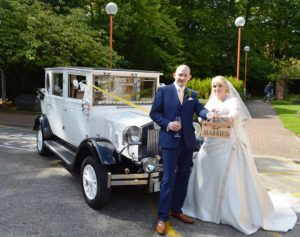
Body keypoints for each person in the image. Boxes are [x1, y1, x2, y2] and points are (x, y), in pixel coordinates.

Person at [182, 76, 297, 235]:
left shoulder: (232, 101)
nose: (216, 89)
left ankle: (227, 213)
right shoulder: (211, 101)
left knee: (229, 178)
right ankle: (203, 208)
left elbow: (235, 115)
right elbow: (202, 116)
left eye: (220, 86)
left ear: (226, 88)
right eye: (214, 86)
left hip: (228, 146)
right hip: (211, 145)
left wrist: (221, 117)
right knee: (206, 173)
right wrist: (206, 116)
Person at [150, 65, 215, 235]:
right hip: (170, 142)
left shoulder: (192, 94)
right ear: (174, 75)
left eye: (185, 75)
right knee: (168, 178)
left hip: (187, 142)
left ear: (189, 77)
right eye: (180, 74)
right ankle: (162, 217)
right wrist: (167, 124)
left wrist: (207, 114)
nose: (182, 77)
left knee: (184, 177)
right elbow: (154, 113)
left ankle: (176, 210)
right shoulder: (163, 91)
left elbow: (199, 109)